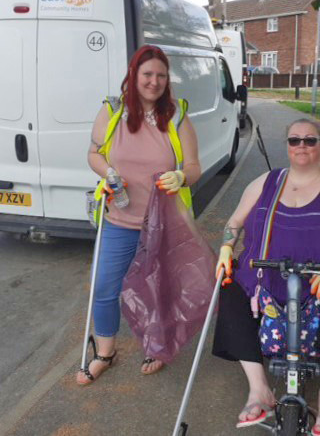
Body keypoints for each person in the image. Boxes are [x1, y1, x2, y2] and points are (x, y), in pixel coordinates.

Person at [212, 118, 320, 436]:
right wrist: (227, 247)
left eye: (310, 140)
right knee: (230, 290)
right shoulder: (266, 181)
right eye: (294, 140)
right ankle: (259, 389)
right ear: (287, 145)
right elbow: (234, 221)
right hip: (265, 275)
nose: (301, 146)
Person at [77, 45, 201, 385]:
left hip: (161, 224)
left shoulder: (176, 116)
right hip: (119, 219)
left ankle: (155, 344)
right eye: (148, 74)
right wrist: (108, 173)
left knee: (156, 288)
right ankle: (105, 352)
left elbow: (193, 167)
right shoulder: (113, 110)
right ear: (134, 75)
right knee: (105, 287)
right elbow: (93, 153)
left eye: (161, 75)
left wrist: (181, 177)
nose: (154, 81)